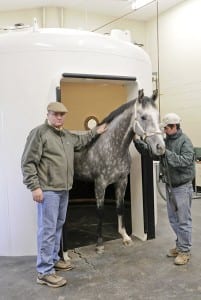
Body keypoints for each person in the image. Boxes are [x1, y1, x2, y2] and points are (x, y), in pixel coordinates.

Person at [21, 102, 107, 287]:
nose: (59, 117)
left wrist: (96, 131)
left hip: (63, 189)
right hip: (48, 190)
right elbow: (28, 162)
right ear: (48, 114)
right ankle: (44, 272)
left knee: (57, 227)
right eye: (56, 114)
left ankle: (52, 259)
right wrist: (34, 187)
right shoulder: (39, 133)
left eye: (62, 114)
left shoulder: (67, 136)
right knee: (47, 229)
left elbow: (82, 141)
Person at [134, 112, 195, 265]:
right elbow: (152, 153)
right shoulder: (165, 140)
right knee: (173, 219)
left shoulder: (184, 141)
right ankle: (180, 245)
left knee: (183, 220)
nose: (164, 130)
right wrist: (137, 141)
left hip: (182, 187)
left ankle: (185, 251)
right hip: (170, 186)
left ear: (175, 126)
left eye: (166, 128)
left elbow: (186, 161)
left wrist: (165, 152)